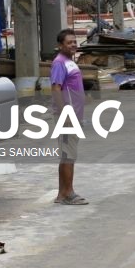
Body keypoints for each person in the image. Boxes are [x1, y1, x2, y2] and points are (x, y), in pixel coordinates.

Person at [51, 28, 88, 205]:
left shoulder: (69, 61)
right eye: (69, 42)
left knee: (67, 154)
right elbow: (56, 88)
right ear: (60, 45)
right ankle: (68, 194)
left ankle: (62, 194)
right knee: (69, 155)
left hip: (74, 115)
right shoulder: (60, 63)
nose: (73, 45)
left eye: (74, 41)